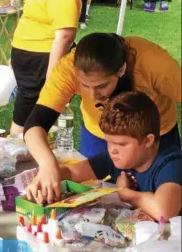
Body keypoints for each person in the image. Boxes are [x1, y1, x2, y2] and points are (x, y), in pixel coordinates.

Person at [23, 32, 181, 204]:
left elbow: (164, 207)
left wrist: (128, 195)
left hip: (154, 136)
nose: (93, 96)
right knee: (99, 191)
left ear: (121, 70)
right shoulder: (68, 68)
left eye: (102, 86)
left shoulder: (154, 63)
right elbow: (36, 122)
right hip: (99, 133)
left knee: (161, 191)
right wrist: (48, 166)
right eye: (84, 85)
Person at [27, 92, 182, 220]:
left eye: (121, 144)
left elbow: (164, 211)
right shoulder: (115, 158)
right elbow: (72, 172)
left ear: (148, 141)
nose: (113, 150)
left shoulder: (171, 164)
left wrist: (126, 194)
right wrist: (45, 179)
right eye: (109, 142)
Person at [10, 0, 82, 135]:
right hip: (31, 65)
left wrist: (52, 75)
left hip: (40, 65)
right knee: (27, 115)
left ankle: (24, 153)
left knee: (28, 121)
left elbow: (64, 37)